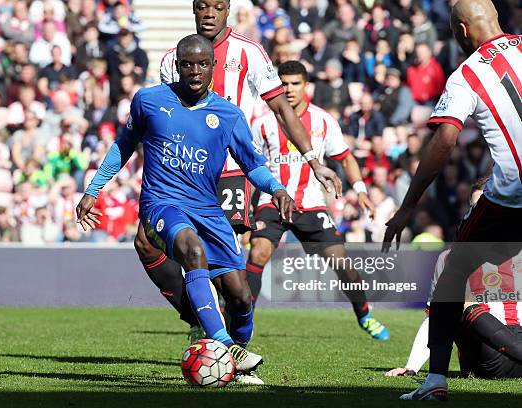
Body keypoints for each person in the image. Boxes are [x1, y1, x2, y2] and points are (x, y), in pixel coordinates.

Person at [77, 34, 299, 385]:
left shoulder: (228, 114)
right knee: (191, 250)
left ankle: (233, 359)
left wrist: (278, 188)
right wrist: (93, 189)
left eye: (202, 64)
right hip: (161, 203)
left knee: (240, 293)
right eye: (188, 64)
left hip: (208, 209)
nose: (195, 71)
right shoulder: (149, 100)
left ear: (213, 66)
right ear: (176, 66)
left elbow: (252, 164)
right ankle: (226, 344)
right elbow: (124, 144)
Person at [146, 0, 341, 344]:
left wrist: (314, 160)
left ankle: (228, 344)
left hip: (233, 172)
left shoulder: (250, 53)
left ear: (228, 11)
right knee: (146, 243)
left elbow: (282, 107)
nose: (209, 14)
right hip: (183, 174)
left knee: (226, 271)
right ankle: (197, 320)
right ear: (194, 10)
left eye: (217, 7)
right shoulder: (171, 60)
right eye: (203, 7)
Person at [383, 0, 522, 400]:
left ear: (461, 31)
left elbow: (445, 139)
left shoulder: (467, 74)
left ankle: (435, 382)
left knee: (451, 278)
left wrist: (408, 205)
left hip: (511, 197)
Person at [248, 61, 389, 340]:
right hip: (272, 200)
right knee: (259, 252)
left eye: (295, 83)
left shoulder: (323, 120)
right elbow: (250, 164)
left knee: (341, 262)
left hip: (310, 203)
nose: (288, 89)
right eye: (284, 83)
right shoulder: (263, 123)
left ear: (306, 86)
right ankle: (240, 323)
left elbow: (344, 157)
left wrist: (360, 189)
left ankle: (364, 315)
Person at [386, 181, 522, 379]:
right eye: (478, 207)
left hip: (516, 346)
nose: (486, 214)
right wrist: (412, 366)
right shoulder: (449, 258)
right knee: (455, 302)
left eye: (492, 207)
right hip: (487, 358)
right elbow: (435, 317)